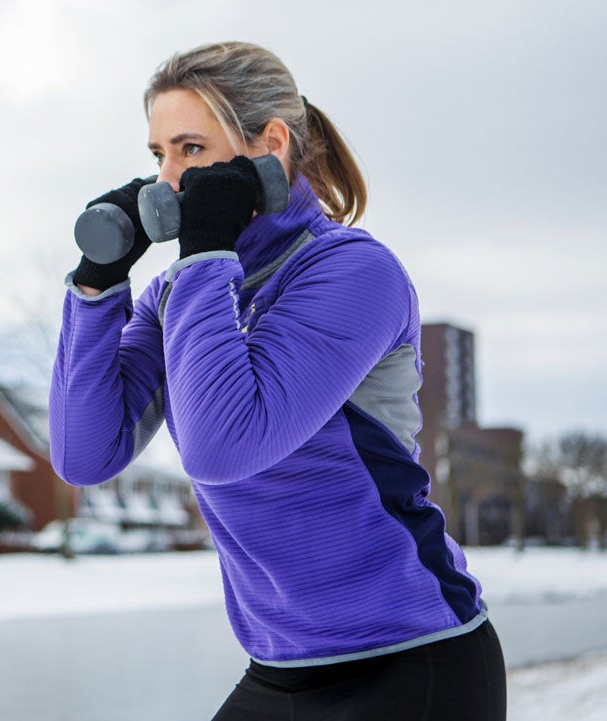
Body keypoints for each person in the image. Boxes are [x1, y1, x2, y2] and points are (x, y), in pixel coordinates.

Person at [48, 41, 507, 720]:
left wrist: (206, 252)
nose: (165, 183)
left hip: (413, 660)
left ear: (270, 145)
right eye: (158, 155)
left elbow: (222, 447)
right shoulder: (180, 294)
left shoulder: (355, 273)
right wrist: (96, 284)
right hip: (280, 666)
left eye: (191, 150)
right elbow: (84, 454)